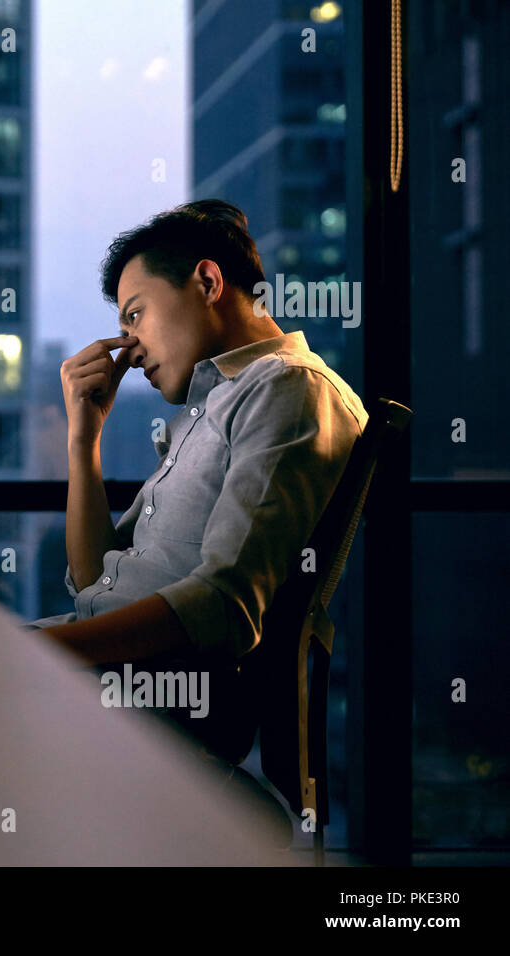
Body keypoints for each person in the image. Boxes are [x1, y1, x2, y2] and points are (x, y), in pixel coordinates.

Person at [25, 199, 367, 766]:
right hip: (99, 675)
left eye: (134, 315)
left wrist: (39, 653)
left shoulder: (289, 388)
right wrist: (83, 439)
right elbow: (91, 584)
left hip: (144, 703)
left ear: (208, 280)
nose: (128, 349)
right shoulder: (207, 407)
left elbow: (225, 604)